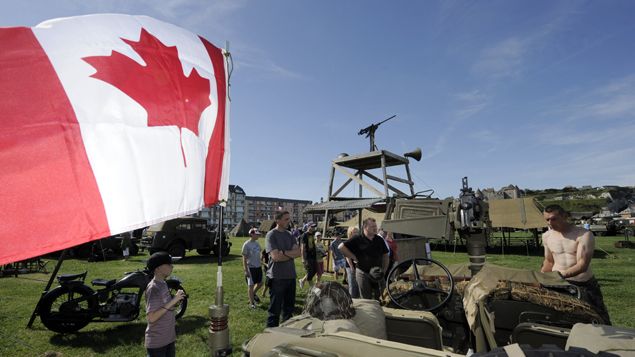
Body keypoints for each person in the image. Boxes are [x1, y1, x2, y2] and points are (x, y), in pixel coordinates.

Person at [540, 204, 611, 325]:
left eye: (553, 218)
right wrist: (541, 278)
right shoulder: (546, 236)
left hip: (583, 285)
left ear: (564, 216)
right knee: (559, 321)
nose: (550, 222)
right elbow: (549, 261)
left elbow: (582, 265)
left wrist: (558, 275)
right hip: (557, 284)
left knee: (598, 321)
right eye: (547, 219)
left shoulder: (583, 235)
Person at [144, 252, 186, 357]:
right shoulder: (153, 288)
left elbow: (164, 306)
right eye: (168, 264)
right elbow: (151, 317)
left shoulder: (163, 283)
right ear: (157, 268)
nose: (172, 266)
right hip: (157, 343)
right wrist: (174, 300)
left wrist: (174, 301)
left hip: (168, 338)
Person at [265, 210, 301, 327]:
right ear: (277, 220)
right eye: (286, 219)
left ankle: (285, 333)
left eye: (288, 219)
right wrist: (290, 254)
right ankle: (270, 335)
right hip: (277, 278)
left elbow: (299, 252)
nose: (289, 221)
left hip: (291, 277)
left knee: (288, 310)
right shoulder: (271, 235)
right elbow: (275, 257)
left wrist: (284, 252)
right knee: (274, 311)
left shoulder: (290, 234)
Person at [339, 218, 389, 300]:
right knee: (366, 299)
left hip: (378, 273)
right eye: (372, 226)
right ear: (365, 227)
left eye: (375, 226)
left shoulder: (379, 239)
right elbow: (341, 247)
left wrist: (384, 270)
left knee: (381, 297)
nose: (375, 228)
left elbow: (385, 256)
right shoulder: (357, 239)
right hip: (363, 273)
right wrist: (353, 257)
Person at [242, 228, 263, 308]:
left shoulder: (257, 243)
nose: (258, 235)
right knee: (251, 285)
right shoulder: (246, 244)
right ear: (251, 234)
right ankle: (252, 303)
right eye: (256, 234)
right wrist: (245, 270)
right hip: (250, 267)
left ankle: (253, 294)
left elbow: (260, 252)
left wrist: (261, 259)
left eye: (258, 234)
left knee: (260, 283)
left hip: (258, 266)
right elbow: (244, 258)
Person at [298, 222, 318, 289]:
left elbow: (313, 244)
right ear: (308, 226)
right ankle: (312, 288)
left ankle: (302, 280)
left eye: (314, 227)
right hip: (307, 255)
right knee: (310, 271)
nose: (313, 228)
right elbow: (302, 247)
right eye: (312, 226)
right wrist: (303, 258)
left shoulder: (312, 234)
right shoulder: (304, 235)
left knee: (314, 270)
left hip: (313, 255)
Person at [342, 226, 361, 298]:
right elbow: (347, 256)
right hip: (350, 266)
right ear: (350, 233)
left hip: (358, 266)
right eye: (354, 232)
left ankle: (357, 300)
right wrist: (352, 267)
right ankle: (352, 300)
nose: (356, 233)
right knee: (352, 285)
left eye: (357, 232)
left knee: (358, 285)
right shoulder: (347, 242)